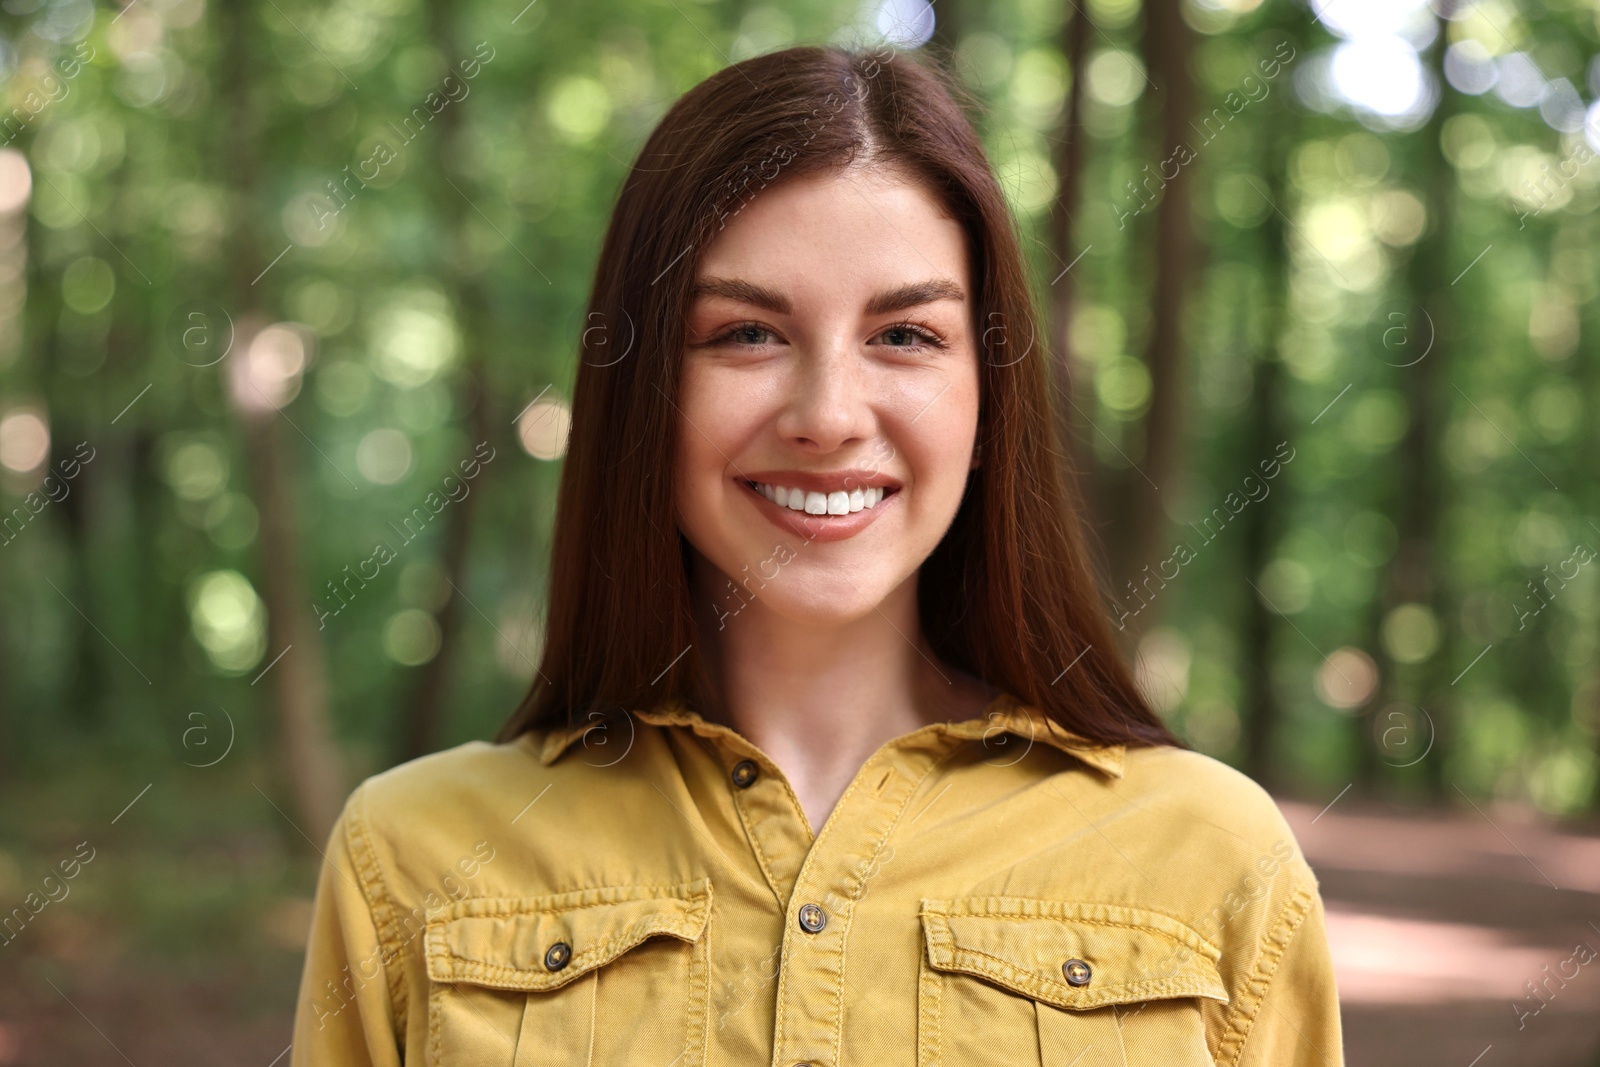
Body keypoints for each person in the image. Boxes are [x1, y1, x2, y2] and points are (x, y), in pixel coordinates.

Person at [290, 44, 1343, 1067]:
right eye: (746, 333)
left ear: (987, 393)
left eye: (905, 336)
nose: (828, 415)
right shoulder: (409, 856)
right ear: (641, 384)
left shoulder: (1213, 859)